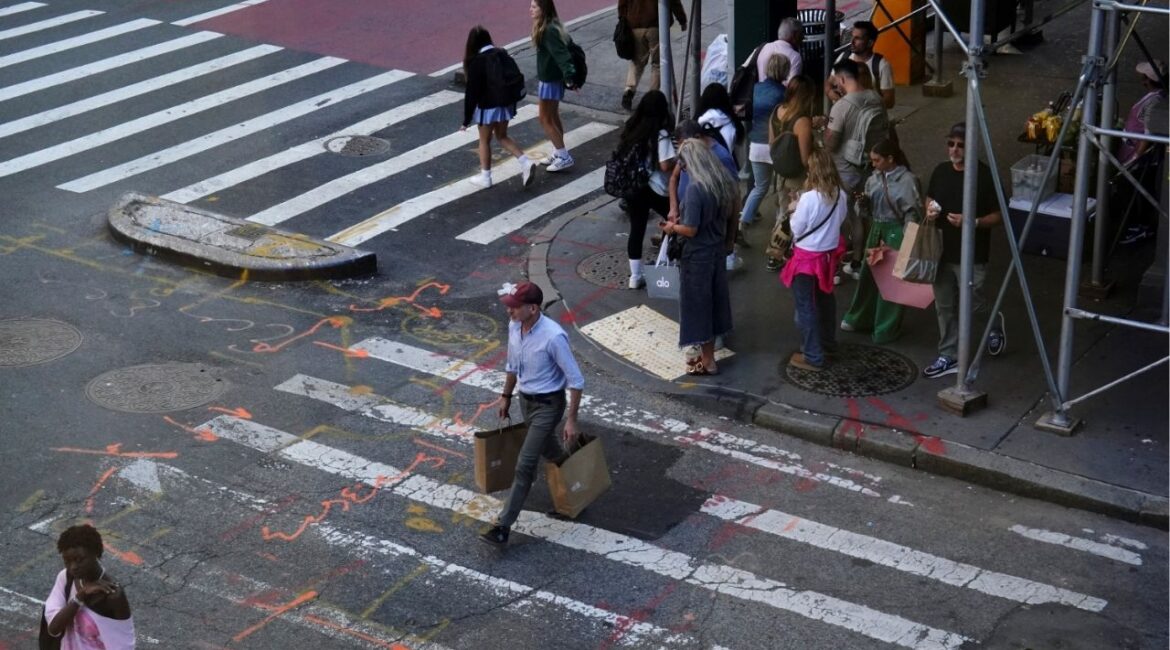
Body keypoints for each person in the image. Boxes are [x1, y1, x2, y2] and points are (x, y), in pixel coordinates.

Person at [480, 281, 585, 547]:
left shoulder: (553, 337)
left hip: (549, 406)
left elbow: (576, 380)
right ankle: (580, 487)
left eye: (515, 307)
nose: (510, 312)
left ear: (533, 308)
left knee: (525, 465)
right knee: (552, 452)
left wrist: (571, 420)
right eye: (510, 306)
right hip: (525, 402)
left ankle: (502, 527)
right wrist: (505, 396)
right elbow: (512, 365)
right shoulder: (515, 326)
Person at [922, 122, 1005, 379]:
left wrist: (973, 222)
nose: (954, 150)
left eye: (960, 145)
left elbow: (1000, 215)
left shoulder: (984, 176)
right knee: (944, 305)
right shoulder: (941, 171)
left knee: (972, 302)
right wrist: (930, 209)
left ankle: (993, 324)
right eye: (951, 144)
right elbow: (929, 197)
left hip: (973, 253)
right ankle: (949, 354)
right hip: (942, 251)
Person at [660, 138, 737, 375]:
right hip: (716, 251)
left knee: (698, 308)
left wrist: (671, 228)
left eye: (682, 164)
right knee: (714, 304)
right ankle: (709, 356)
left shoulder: (695, 189)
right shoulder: (720, 181)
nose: (681, 168)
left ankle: (708, 360)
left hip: (697, 256)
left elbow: (691, 230)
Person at [840, 139, 922, 344]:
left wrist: (908, 242)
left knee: (893, 283)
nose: (873, 164)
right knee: (869, 278)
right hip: (876, 230)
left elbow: (913, 214)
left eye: (877, 160)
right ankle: (862, 318)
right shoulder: (873, 179)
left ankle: (885, 327)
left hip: (898, 231)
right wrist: (863, 204)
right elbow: (864, 212)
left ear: (890, 159)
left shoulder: (908, 181)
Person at [821, 59, 890, 283]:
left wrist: (824, 129)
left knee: (845, 217)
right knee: (863, 213)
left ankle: (837, 268)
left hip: (844, 169)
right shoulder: (876, 98)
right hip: (870, 166)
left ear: (841, 79)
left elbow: (831, 142)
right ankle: (859, 262)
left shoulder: (842, 106)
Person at [780, 148, 849, 371]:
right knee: (826, 301)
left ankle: (812, 355)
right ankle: (828, 343)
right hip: (828, 258)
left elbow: (797, 228)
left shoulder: (809, 198)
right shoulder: (841, 194)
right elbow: (840, 221)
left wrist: (793, 210)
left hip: (806, 259)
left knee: (805, 306)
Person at [461, 25, 536, 190]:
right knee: (502, 136)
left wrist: (466, 120)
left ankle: (485, 176)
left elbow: (471, 94)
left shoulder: (476, 62)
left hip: (487, 107)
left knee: (484, 141)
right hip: (505, 104)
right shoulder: (502, 53)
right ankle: (525, 161)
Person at [618, 90, 677, 289]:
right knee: (676, 219)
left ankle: (635, 276)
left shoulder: (633, 128)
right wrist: (678, 157)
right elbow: (664, 165)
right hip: (655, 188)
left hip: (633, 186)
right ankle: (671, 262)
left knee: (637, 228)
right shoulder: (660, 134)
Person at [43, 524, 134, 649]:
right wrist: (81, 596)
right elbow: (54, 628)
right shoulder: (66, 578)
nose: (73, 567)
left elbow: (125, 646)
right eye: (67, 561)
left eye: (79, 559)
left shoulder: (113, 596)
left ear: (95, 553)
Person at [764, 74, 817, 271]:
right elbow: (805, 159)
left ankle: (774, 254)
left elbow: (771, 144)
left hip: (780, 173)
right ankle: (785, 254)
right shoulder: (801, 120)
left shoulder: (776, 111)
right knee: (795, 217)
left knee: (782, 213)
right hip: (797, 177)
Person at [696, 83, 745, 270]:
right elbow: (735, 151)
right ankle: (729, 256)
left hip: (704, 173)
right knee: (729, 216)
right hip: (726, 173)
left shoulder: (700, 121)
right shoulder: (732, 122)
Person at [739, 54, 790, 234]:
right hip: (776, 146)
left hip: (756, 145)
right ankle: (779, 226)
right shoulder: (784, 93)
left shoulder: (756, 88)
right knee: (782, 189)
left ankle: (743, 221)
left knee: (759, 187)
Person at [530, 0, 578, 172]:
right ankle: (558, 151)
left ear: (543, 9)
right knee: (553, 116)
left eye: (534, 7)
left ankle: (564, 155)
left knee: (545, 118)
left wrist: (570, 78)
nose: (531, 10)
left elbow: (562, 55)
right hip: (551, 79)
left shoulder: (548, 30)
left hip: (550, 80)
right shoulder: (550, 26)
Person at [617, 0, 686, 110]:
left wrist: (624, 19)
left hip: (635, 25)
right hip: (656, 24)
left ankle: (629, 89)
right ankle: (652, 96)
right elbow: (674, 2)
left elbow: (622, 4)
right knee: (657, 64)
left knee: (637, 62)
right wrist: (682, 20)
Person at [832, 20, 895, 109]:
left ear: (870, 43)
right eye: (852, 37)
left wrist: (861, 108)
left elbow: (889, 101)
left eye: (857, 38)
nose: (852, 41)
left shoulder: (882, 66)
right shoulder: (844, 57)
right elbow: (829, 85)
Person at [754, 17, 803, 83]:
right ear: (795, 35)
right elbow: (792, 87)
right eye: (801, 34)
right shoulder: (795, 57)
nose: (803, 38)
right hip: (781, 93)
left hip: (760, 92)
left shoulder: (764, 48)